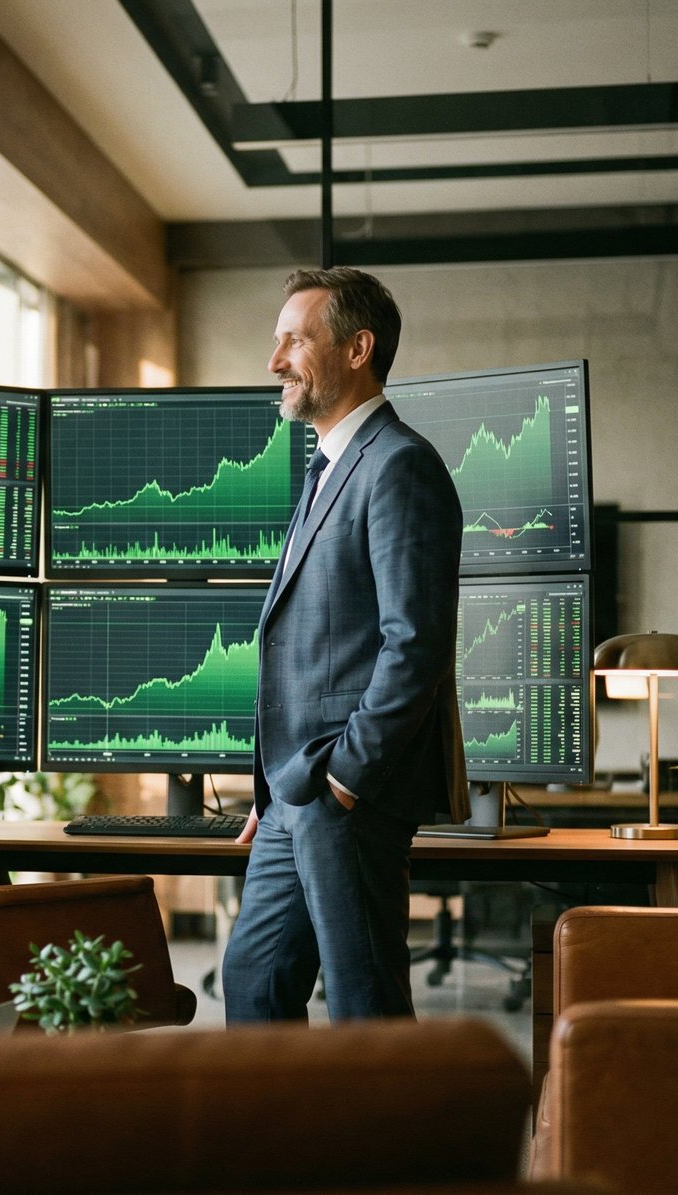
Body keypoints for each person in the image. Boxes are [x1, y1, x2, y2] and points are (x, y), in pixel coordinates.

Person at [221, 266, 464, 1022]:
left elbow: (414, 644)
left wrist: (345, 779)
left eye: (294, 339)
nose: (275, 360)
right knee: (253, 982)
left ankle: (393, 1147)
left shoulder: (399, 465)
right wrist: (276, 787)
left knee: (366, 1008)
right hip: (292, 793)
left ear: (358, 348)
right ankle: (280, 1146)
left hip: (342, 793)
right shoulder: (329, 466)